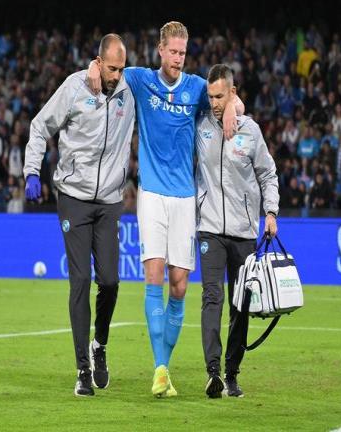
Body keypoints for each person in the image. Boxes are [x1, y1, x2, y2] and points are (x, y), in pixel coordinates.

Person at [87, 21, 244, 397]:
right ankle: (159, 369)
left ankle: (165, 366)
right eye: (172, 51)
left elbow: (227, 97)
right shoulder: (141, 80)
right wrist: (93, 66)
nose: (177, 58)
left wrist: (233, 107)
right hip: (152, 194)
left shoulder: (195, 88)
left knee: (179, 285)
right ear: (160, 50)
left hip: (185, 196)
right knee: (154, 276)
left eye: (183, 53)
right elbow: (109, 70)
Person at [23, 34, 135, 397]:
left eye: (121, 68)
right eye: (112, 68)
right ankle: (82, 369)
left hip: (109, 202)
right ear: (98, 62)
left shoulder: (130, 90)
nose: (117, 75)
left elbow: (167, 81)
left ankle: (99, 344)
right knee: (81, 280)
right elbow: (40, 126)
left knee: (111, 282)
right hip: (73, 198)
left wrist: (233, 102)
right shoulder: (74, 87)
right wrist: (31, 172)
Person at [195, 64, 279, 398]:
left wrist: (270, 212)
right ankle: (213, 372)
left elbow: (268, 174)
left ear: (232, 92)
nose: (214, 103)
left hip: (244, 232)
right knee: (211, 296)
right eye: (211, 96)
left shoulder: (251, 131)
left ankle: (232, 373)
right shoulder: (200, 125)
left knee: (240, 304)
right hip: (210, 228)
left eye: (220, 96)